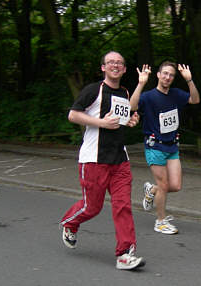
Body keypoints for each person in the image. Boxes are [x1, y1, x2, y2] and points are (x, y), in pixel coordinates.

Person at [60, 51, 146, 270]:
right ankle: (70, 223)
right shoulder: (93, 90)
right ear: (103, 68)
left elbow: (124, 117)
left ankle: (125, 254)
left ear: (124, 69)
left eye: (119, 63)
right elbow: (73, 115)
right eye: (111, 62)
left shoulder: (125, 92)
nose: (115, 65)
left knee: (123, 206)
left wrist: (131, 120)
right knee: (92, 207)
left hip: (119, 159)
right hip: (93, 159)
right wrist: (100, 123)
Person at [130, 61, 200, 234]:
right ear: (158, 75)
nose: (168, 77)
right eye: (165, 74)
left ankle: (151, 190)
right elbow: (131, 107)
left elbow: (195, 100)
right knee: (164, 184)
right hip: (154, 146)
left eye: (171, 75)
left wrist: (189, 80)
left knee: (175, 186)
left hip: (172, 146)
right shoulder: (148, 96)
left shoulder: (176, 94)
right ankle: (160, 221)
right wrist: (140, 84)